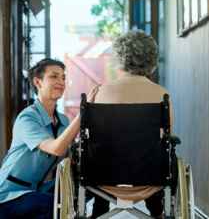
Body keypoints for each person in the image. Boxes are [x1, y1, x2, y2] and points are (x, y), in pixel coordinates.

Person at [0, 58, 99, 218]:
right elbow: (56, 148)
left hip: (36, 189)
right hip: (8, 195)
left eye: (63, 77)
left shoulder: (63, 120)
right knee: (53, 207)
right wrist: (83, 113)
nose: (61, 81)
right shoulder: (27, 118)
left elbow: (70, 155)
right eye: (54, 76)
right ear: (38, 82)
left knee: (90, 188)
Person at [92, 30, 173, 219]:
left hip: (103, 176)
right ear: (151, 59)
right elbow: (167, 136)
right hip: (149, 175)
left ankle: (98, 210)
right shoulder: (162, 95)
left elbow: (94, 136)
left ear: (119, 57)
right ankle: (158, 211)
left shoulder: (101, 92)